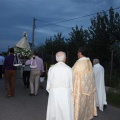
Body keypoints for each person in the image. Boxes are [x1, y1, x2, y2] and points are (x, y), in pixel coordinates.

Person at [46, 51, 74, 120]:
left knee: (54, 112)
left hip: (54, 92)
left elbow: (48, 83)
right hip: (65, 93)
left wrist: (52, 90)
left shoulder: (51, 69)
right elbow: (71, 84)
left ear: (56, 59)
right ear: (64, 59)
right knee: (65, 112)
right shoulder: (69, 69)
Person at [72, 47, 97, 120]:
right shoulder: (89, 62)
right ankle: (87, 116)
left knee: (80, 105)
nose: (77, 54)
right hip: (89, 89)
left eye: (77, 52)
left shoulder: (79, 63)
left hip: (80, 90)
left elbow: (72, 74)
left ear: (80, 53)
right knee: (86, 104)